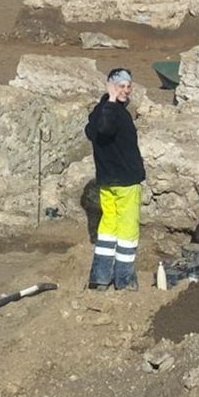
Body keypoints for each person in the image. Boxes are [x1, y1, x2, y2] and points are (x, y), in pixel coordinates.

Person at [85, 67, 145, 290]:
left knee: (108, 227)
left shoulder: (98, 111)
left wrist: (109, 102)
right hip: (125, 181)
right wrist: (111, 100)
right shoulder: (110, 111)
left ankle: (100, 276)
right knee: (128, 230)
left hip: (107, 181)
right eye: (121, 86)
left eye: (128, 86)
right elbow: (106, 130)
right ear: (109, 86)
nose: (126, 90)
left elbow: (91, 132)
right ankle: (124, 280)